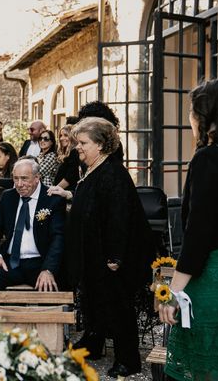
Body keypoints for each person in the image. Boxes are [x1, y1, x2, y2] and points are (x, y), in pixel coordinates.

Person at [158, 80, 218, 381]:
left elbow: (198, 232)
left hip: (215, 286)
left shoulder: (209, 158)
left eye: (192, 111)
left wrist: (172, 292)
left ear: (207, 117)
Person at [48, 117, 153, 377]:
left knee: (117, 306)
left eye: (83, 142)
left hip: (109, 255)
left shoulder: (113, 172)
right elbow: (92, 202)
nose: (78, 148)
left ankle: (128, 360)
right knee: (95, 301)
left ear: (101, 145)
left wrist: (115, 255)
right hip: (93, 252)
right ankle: (94, 345)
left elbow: (119, 215)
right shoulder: (94, 169)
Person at [0, 158, 66, 292]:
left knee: (56, 285)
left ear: (37, 178)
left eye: (24, 178)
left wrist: (48, 269)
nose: (19, 184)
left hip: (40, 262)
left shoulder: (52, 199)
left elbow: (58, 238)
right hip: (11, 263)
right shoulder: (8, 197)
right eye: (15, 178)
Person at [53, 124, 80, 190]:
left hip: (67, 193)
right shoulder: (65, 153)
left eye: (66, 135)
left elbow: (69, 178)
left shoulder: (74, 152)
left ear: (72, 137)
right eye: (60, 136)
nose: (61, 138)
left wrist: (54, 190)